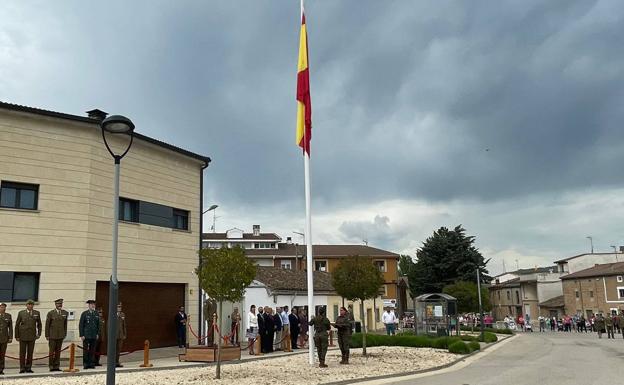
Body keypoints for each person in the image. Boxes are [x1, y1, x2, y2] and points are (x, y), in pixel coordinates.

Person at [15, 299, 42, 373]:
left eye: (31, 304)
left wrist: (39, 334)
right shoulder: (21, 313)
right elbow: (17, 325)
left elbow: (39, 324)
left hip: (32, 336)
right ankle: (22, 368)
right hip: (22, 336)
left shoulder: (37, 313)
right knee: (22, 353)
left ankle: (29, 367)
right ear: (26, 305)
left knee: (30, 353)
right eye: (29, 304)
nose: (30, 306)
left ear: (33, 305)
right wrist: (17, 336)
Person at [44, 298, 68, 372]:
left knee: (58, 351)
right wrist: (47, 335)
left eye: (61, 304)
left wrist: (64, 333)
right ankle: (51, 366)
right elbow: (47, 325)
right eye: (58, 304)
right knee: (52, 352)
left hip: (60, 335)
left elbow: (65, 325)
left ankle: (56, 366)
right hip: (52, 335)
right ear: (55, 305)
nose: (60, 305)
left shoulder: (65, 313)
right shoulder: (51, 313)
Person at [79, 299, 100, 369]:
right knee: (86, 350)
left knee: (92, 350)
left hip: (93, 335)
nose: (93, 306)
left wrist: (97, 333)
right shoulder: (84, 313)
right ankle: (85, 363)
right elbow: (81, 324)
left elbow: (98, 325)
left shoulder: (96, 313)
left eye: (93, 304)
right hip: (86, 335)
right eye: (91, 304)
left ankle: (91, 363)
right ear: (89, 305)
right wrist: (81, 335)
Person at [0, 302, 13, 375]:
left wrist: (10, 337)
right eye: (1, 307)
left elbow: (10, 328)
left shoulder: (8, 316)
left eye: (3, 307)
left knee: (2, 354)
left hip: (4, 338)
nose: (2, 308)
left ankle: (1, 369)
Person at [115, 302, 127, 367]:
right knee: (114, 349)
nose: (119, 308)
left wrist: (124, 334)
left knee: (119, 349)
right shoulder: (113, 314)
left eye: (120, 307)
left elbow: (124, 325)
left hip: (120, 335)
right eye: (118, 306)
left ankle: (117, 362)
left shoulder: (122, 314)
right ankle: (113, 362)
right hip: (114, 335)